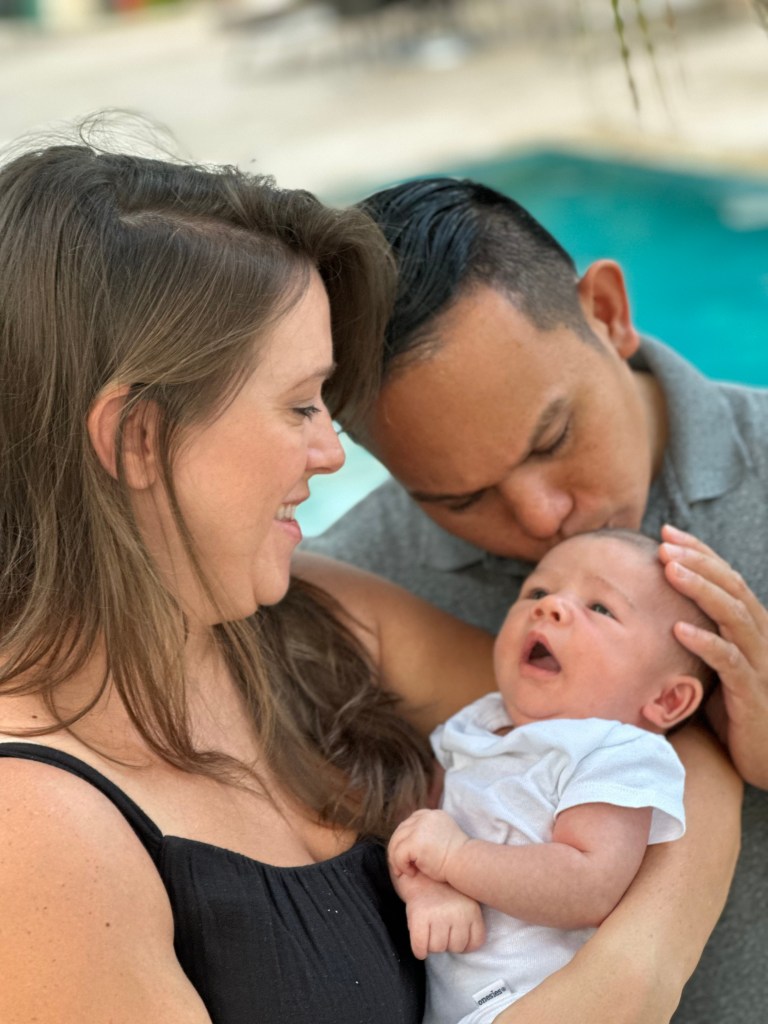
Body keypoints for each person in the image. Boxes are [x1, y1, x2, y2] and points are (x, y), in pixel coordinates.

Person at [0, 132, 508, 1024]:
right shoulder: (31, 839)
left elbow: (641, 717)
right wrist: (643, 962)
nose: (330, 451)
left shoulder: (317, 618)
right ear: (139, 437)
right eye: (300, 404)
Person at [306, 175, 766, 1023]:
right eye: (460, 499)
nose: (542, 519)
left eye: (554, 438)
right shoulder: (359, 589)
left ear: (608, 312)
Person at [388, 529, 710, 1024]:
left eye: (600, 608)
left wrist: (456, 860)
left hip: (544, 1002)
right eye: (537, 591)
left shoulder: (619, 751)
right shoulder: (472, 725)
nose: (550, 607)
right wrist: (427, 889)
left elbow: (588, 885)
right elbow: (415, 832)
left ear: (667, 699)